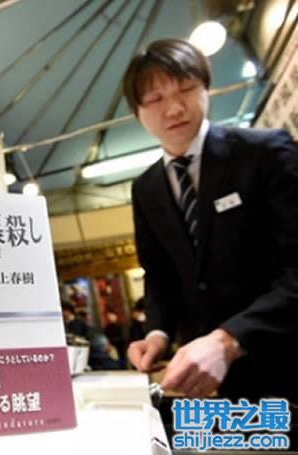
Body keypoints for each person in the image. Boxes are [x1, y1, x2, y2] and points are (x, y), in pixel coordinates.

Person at [124, 38, 298, 401]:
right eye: (155, 99)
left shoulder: (264, 152)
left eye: (186, 89)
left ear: (206, 88)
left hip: (283, 360)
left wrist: (229, 339)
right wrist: (157, 333)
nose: (174, 109)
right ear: (137, 112)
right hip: (208, 384)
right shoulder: (146, 188)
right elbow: (159, 274)